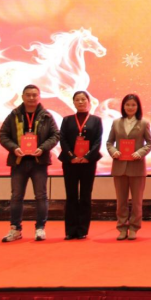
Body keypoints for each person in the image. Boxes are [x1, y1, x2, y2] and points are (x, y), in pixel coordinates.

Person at [0, 85, 60, 242]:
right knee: (16, 196)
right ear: (22, 96)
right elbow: (3, 135)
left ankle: (40, 228)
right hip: (18, 162)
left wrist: (42, 148)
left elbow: (55, 135)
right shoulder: (14, 115)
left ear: (39, 96)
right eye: (28, 95)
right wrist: (14, 148)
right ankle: (15, 229)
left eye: (34, 95)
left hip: (39, 162)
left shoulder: (46, 115)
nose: (31, 98)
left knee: (41, 196)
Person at [107, 94, 151, 241]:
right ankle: (122, 228)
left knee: (137, 202)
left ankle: (134, 228)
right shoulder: (116, 123)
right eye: (127, 104)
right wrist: (113, 151)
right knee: (121, 201)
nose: (130, 107)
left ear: (138, 107)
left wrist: (140, 153)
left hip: (137, 167)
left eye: (133, 105)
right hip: (119, 166)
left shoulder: (144, 123)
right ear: (123, 106)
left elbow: (150, 143)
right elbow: (109, 142)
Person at [58, 91, 103, 240]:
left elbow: (98, 141)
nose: (81, 102)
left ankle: (82, 230)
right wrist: (72, 156)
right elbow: (63, 139)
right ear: (73, 102)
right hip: (70, 162)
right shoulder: (67, 120)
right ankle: (70, 231)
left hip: (88, 163)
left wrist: (87, 157)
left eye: (83, 99)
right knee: (71, 196)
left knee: (85, 196)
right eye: (77, 100)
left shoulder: (96, 120)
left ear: (89, 102)